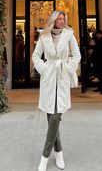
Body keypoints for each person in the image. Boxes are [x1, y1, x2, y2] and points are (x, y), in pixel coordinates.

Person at [32, 11, 81, 171]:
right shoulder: (44, 36)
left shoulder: (68, 34)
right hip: (48, 77)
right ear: (53, 20)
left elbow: (77, 55)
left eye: (63, 18)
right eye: (59, 18)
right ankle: (58, 152)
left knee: (55, 117)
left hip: (62, 76)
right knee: (50, 116)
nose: (62, 20)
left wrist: (68, 68)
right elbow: (36, 56)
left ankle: (45, 157)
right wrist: (44, 69)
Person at [91, 30, 102, 94]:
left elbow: (98, 51)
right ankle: (101, 87)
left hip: (101, 61)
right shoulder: (101, 40)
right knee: (100, 75)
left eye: (98, 34)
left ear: (101, 34)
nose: (97, 36)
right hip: (99, 61)